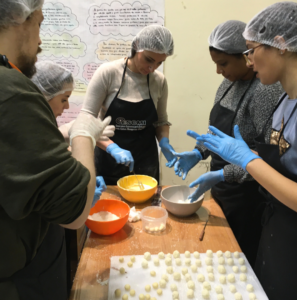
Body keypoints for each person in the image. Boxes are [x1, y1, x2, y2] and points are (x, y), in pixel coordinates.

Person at [0, 2, 111, 300]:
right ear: (18, 19)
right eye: (39, 23)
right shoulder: (9, 89)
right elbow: (75, 212)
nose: (39, 41)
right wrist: (83, 134)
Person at [196, 2, 297, 299]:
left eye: (251, 50)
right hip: (276, 227)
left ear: (280, 45)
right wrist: (204, 149)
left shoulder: (274, 94)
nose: (250, 61)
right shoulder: (287, 101)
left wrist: (245, 162)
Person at [172, 20, 283, 267]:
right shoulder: (228, 83)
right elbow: (218, 132)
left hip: (248, 197)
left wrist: (224, 173)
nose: (219, 71)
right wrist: (199, 152)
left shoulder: (265, 90)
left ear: (245, 55)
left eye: (223, 64)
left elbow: (266, 160)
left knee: (238, 263)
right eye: (216, 64)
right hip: (223, 188)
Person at [81, 24, 177, 185]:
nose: (152, 68)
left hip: (146, 164)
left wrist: (164, 141)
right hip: (109, 162)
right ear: (136, 46)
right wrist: (113, 148)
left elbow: (161, 121)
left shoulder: (158, 81)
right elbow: (85, 122)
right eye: (148, 59)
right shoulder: (108, 73)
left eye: (160, 63)